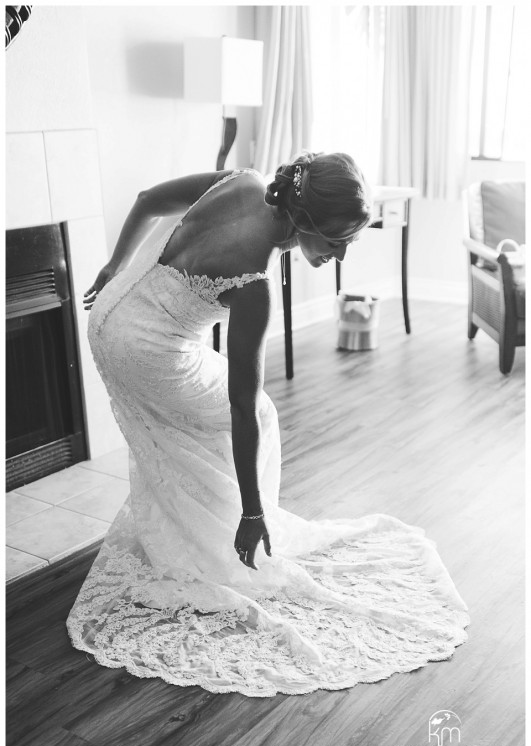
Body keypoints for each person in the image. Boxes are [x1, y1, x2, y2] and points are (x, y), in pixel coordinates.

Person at [67, 152, 469, 697]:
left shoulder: (243, 180)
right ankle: (219, 540)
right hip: (145, 352)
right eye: (335, 241)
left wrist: (116, 266)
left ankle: (191, 527)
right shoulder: (253, 280)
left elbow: (144, 202)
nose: (341, 254)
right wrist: (255, 510)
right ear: (302, 220)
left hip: (111, 311)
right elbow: (240, 403)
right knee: (250, 414)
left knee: (204, 426)